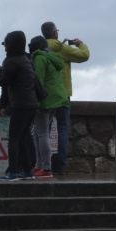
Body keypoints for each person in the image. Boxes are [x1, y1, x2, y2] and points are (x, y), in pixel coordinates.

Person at [41, 21, 90, 173]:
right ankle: (61, 164)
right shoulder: (61, 48)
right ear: (55, 33)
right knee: (62, 128)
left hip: (45, 94)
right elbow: (84, 55)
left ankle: (43, 163)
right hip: (63, 94)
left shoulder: (40, 47)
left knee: (44, 130)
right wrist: (80, 44)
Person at [0, 30, 40, 180]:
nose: (4, 47)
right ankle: (27, 171)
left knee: (14, 138)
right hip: (31, 103)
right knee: (24, 137)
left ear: (11, 45)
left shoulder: (12, 61)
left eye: (5, 44)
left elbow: (4, 82)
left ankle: (13, 171)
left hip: (20, 104)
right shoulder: (26, 59)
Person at [28, 35, 67, 179]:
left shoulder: (39, 57)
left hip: (45, 99)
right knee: (38, 132)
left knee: (42, 133)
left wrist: (36, 101)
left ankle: (45, 168)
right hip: (57, 98)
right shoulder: (53, 57)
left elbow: (38, 80)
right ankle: (39, 165)